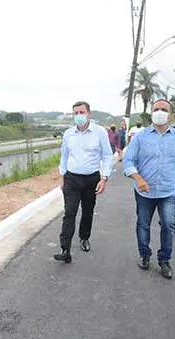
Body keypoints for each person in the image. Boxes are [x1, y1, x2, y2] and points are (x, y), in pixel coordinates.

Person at [123, 99, 175, 279]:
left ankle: (164, 260)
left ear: (171, 115)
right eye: (156, 109)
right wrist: (138, 178)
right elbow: (128, 161)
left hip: (169, 191)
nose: (159, 112)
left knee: (169, 225)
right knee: (143, 224)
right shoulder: (140, 137)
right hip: (144, 192)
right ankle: (144, 255)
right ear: (151, 112)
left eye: (163, 109)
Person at [54, 101, 114, 263]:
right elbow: (64, 156)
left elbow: (107, 156)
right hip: (72, 179)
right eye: (76, 113)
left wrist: (104, 178)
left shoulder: (99, 132)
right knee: (69, 212)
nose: (79, 116)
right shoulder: (68, 134)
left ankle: (84, 237)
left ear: (89, 114)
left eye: (82, 112)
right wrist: (62, 177)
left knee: (87, 211)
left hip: (91, 178)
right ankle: (65, 248)